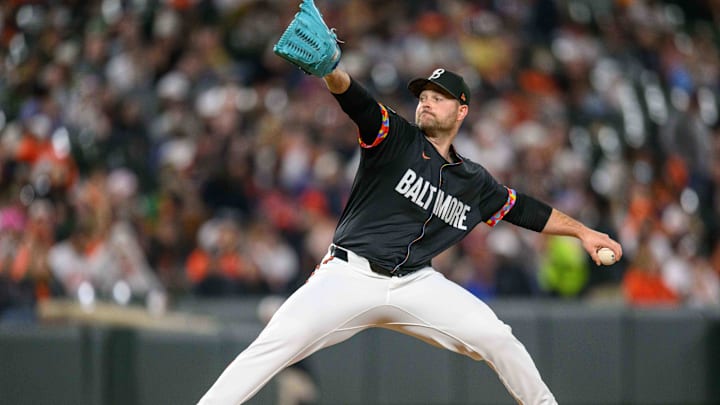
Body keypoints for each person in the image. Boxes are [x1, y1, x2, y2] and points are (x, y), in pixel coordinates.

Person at [198, 64, 622, 405]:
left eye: (439, 98)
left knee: (496, 336)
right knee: (271, 347)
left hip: (415, 283)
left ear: (462, 111)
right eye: (423, 97)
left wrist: (583, 232)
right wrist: (331, 71)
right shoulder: (395, 138)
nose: (427, 103)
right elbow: (357, 102)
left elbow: (524, 209)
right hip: (348, 276)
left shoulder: (474, 181)